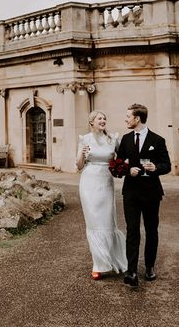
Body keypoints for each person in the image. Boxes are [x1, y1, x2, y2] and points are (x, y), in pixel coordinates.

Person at [116, 103, 171, 287]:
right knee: (132, 231)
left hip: (151, 193)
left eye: (128, 116)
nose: (126, 119)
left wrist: (156, 168)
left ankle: (149, 267)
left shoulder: (158, 140)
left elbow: (167, 165)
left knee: (151, 230)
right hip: (130, 192)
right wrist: (126, 170)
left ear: (137, 118)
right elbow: (117, 164)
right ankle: (131, 272)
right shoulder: (125, 139)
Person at [76, 110, 127, 280]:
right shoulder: (85, 139)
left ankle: (113, 259)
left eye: (105, 118)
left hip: (105, 182)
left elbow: (124, 158)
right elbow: (79, 165)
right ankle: (98, 265)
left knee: (107, 221)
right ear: (92, 122)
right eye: (100, 118)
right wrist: (82, 153)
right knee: (94, 222)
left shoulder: (113, 139)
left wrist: (122, 167)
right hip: (89, 181)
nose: (103, 120)